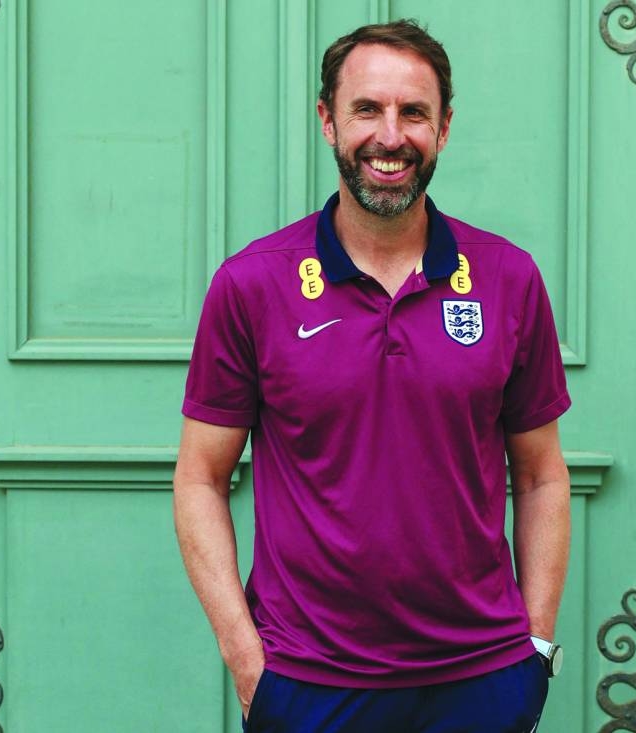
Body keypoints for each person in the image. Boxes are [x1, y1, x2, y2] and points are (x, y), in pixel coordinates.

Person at [173, 19, 571, 733]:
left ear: (444, 128)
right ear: (328, 120)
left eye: (413, 112)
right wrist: (246, 659)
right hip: (308, 681)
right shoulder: (252, 285)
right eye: (367, 109)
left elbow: (542, 473)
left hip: (481, 680)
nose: (390, 136)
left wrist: (534, 648)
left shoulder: (509, 279)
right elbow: (200, 476)